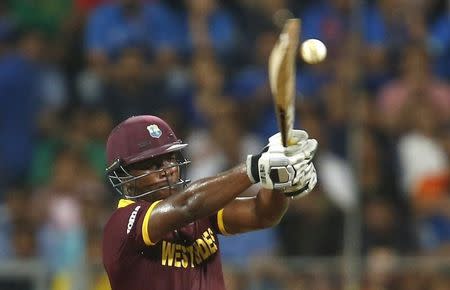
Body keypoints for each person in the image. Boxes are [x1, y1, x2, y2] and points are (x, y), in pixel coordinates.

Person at [102, 115, 318, 290]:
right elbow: (186, 206)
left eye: (171, 158)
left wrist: (280, 182)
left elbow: (263, 214)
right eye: (152, 164)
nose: (167, 169)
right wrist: (257, 167)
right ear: (125, 179)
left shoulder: (200, 210)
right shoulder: (122, 224)